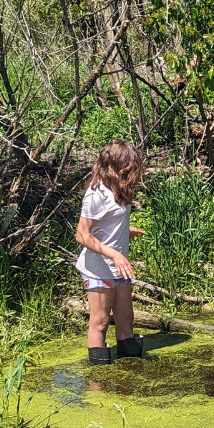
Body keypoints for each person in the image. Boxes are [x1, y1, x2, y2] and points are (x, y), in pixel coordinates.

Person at [74, 139, 146, 364]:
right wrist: (114, 253)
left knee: (126, 321)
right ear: (117, 166)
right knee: (101, 321)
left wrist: (126, 231)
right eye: (131, 168)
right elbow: (82, 235)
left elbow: (108, 223)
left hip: (120, 268)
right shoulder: (96, 193)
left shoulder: (120, 189)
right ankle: (98, 380)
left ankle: (130, 375)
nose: (134, 173)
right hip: (99, 269)